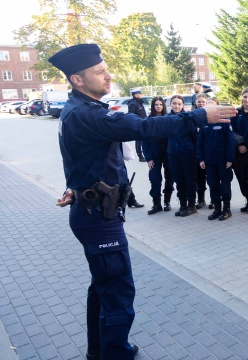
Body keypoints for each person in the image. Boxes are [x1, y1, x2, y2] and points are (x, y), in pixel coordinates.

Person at [50, 43, 236, 360]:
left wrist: (76, 188)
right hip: (100, 220)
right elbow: (145, 127)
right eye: (99, 72)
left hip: (93, 210)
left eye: (105, 69)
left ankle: (99, 351)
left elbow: (79, 158)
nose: (109, 76)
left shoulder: (78, 111)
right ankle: (116, 354)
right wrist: (199, 116)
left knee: (103, 287)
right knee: (118, 292)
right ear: (77, 80)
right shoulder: (86, 114)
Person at [197, 94, 235, 221]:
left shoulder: (224, 122)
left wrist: (230, 159)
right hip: (209, 161)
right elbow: (200, 143)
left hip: (223, 161)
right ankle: (217, 209)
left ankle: (226, 209)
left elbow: (230, 141)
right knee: (213, 185)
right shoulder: (204, 123)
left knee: (225, 185)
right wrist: (201, 159)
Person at [167, 95, 199, 217]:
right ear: (170, 104)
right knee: (178, 180)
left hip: (187, 153)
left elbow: (194, 137)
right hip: (173, 154)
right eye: (174, 103)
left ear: (182, 105)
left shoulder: (187, 118)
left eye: (179, 104)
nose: (177, 106)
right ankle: (182, 205)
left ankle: (191, 205)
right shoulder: (167, 118)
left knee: (189, 179)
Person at [143, 96, 174, 214]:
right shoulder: (148, 121)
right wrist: (148, 158)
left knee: (169, 178)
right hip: (154, 155)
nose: (158, 106)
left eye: (161, 104)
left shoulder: (168, 119)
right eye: (156, 104)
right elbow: (144, 141)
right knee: (155, 179)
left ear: (164, 106)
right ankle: (156, 204)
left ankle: (167, 201)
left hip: (168, 154)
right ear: (153, 106)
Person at [193, 94, 209, 210]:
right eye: (199, 102)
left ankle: (214, 199)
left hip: (209, 151)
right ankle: (201, 199)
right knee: (199, 177)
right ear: (195, 103)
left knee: (212, 177)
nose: (201, 104)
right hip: (196, 153)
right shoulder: (191, 117)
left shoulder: (209, 116)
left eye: (203, 102)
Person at [128, 88, 147, 162]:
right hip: (137, 124)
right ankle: (140, 156)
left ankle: (144, 154)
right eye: (139, 93)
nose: (141, 95)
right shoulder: (132, 104)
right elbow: (131, 115)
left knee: (143, 140)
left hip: (143, 123)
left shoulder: (139, 102)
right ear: (135, 95)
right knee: (138, 141)